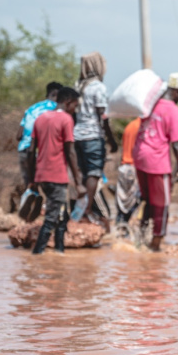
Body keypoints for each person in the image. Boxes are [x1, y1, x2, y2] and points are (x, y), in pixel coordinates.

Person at [132, 73, 178, 251]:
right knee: (161, 204)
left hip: (140, 156)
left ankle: (140, 239)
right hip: (156, 161)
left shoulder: (150, 105)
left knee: (147, 200)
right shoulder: (172, 109)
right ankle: (155, 245)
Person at [26, 87, 85, 254]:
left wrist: (32, 179)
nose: (75, 109)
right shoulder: (66, 120)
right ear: (68, 102)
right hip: (57, 176)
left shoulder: (41, 119)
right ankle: (37, 254)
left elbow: (31, 151)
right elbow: (70, 151)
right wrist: (79, 182)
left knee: (61, 215)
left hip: (42, 176)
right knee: (51, 218)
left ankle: (60, 251)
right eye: (75, 105)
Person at [73, 52, 118, 226]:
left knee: (84, 174)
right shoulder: (98, 87)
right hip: (92, 136)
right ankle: (87, 211)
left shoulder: (78, 85)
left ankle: (81, 208)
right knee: (94, 173)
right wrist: (111, 140)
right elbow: (103, 116)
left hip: (77, 137)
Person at [17, 81, 62, 189]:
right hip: (43, 152)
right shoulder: (57, 109)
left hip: (24, 151)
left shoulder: (31, 108)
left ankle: (29, 196)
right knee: (51, 189)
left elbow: (18, 136)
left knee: (30, 185)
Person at [115, 117, 141, 233]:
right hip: (134, 166)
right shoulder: (142, 127)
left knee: (122, 201)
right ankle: (125, 228)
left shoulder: (130, 125)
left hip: (123, 166)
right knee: (134, 200)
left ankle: (119, 228)